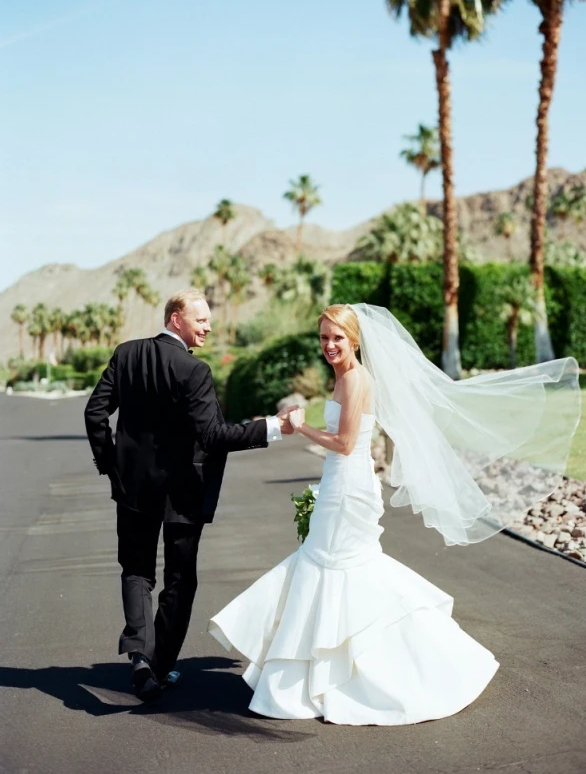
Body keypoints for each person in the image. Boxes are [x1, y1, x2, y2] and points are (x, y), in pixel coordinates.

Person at [209, 303, 580, 725]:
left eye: (337, 338)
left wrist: (299, 427)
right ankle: (326, 673)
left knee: (334, 568)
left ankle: (362, 672)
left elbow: (346, 444)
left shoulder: (356, 379)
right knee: (332, 569)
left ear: (355, 340)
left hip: (348, 487)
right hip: (341, 484)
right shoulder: (344, 377)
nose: (329, 345)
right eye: (324, 337)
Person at [84, 289, 296, 701]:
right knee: (180, 579)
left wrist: (111, 463)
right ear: (176, 318)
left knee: (136, 570)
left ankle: (141, 660)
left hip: (133, 489)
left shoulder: (126, 354)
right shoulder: (193, 371)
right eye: (201, 320)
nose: (208, 327)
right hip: (182, 492)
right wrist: (272, 427)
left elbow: (95, 412)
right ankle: (158, 667)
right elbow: (214, 436)